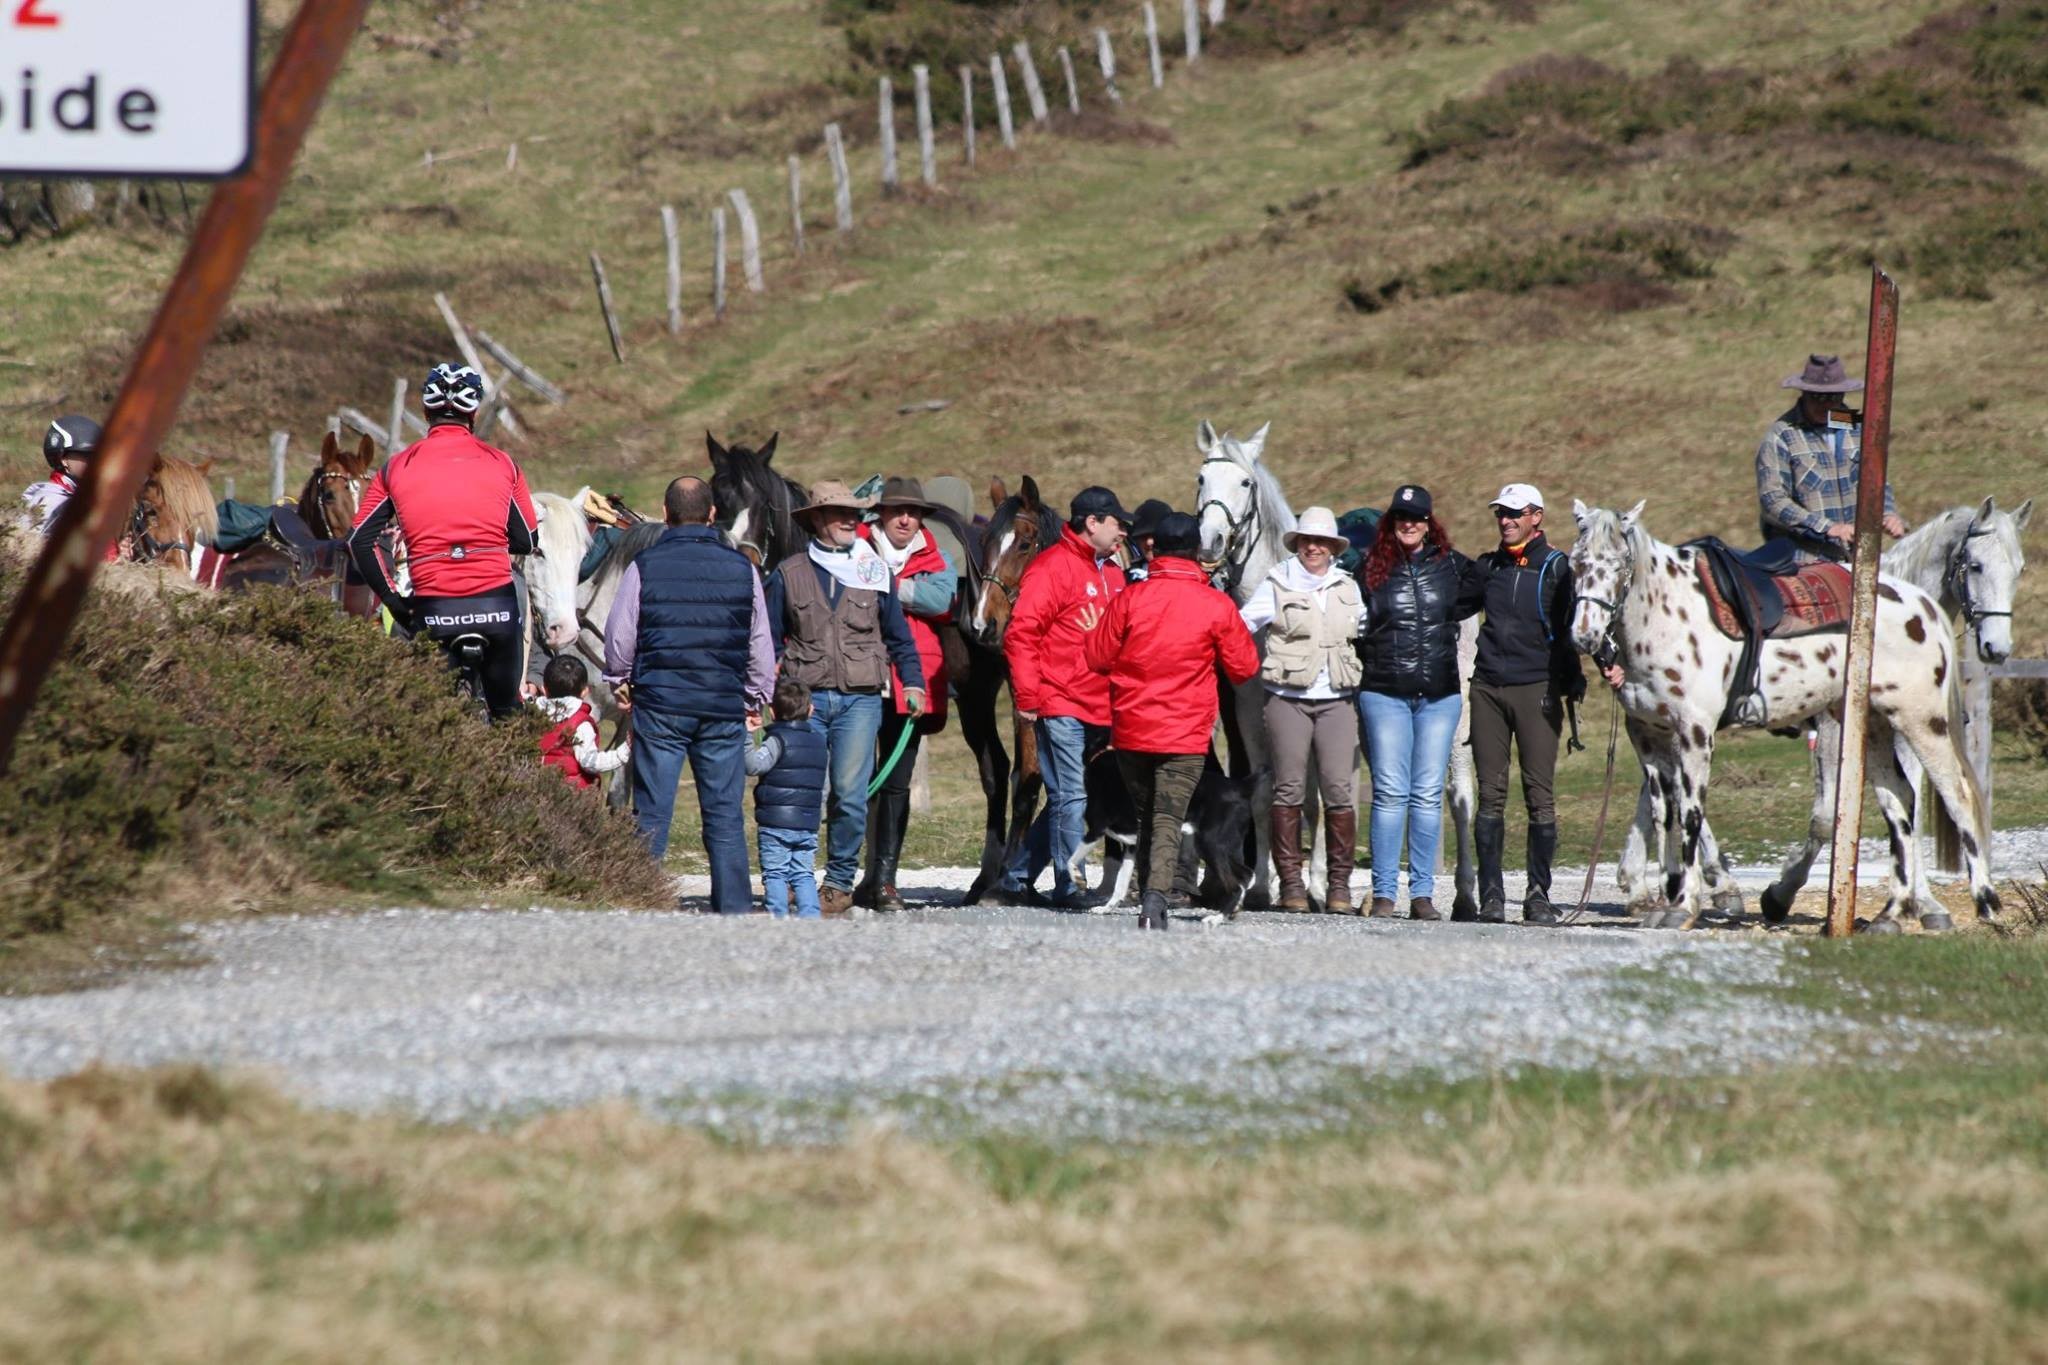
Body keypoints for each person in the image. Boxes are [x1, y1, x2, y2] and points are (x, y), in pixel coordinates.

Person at [603, 475, 775, 912]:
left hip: (661, 705)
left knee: (653, 812)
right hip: (721, 707)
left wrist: (619, 679)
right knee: (723, 814)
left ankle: (643, 901)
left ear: (665, 514)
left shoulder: (645, 565)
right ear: (713, 514)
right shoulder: (743, 569)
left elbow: (620, 635)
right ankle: (734, 906)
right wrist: (755, 696)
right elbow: (760, 642)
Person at [1083, 512, 1259, 929]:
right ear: (1197, 552)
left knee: (1150, 815)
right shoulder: (1215, 604)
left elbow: (1097, 658)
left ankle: (1151, 895)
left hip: (1132, 729)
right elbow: (1245, 667)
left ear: (1153, 549)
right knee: (1167, 815)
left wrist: (1098, 633)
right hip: (1186, 732)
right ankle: (1154, 902)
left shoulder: (1129, 598)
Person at [764, 480, 926, 919]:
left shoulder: (876, 571)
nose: (850, 520)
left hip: (861, 702)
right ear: (816, 520)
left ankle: (837, 884)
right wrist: (764, 687)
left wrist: (913, 683)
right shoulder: (788, 573)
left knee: (851, 798)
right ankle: (792, 879)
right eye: (839, 513)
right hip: (804, 703)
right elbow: (768, 641)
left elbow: (899, 637)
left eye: (855, 514)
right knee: (797, 794)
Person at [347, 363, 541, 721]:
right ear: (475, 412)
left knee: (430, 720)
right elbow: (527, 539)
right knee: (507, 716)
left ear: (425, 411)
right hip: (495, 608)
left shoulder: (397, 466)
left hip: (434, 611)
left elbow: (359, 540)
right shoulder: (503, 464)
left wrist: (392, 600)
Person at [996, 486, 1131, 908]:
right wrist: (1029, 696)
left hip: (1103, 704)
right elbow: (1021, 634)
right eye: (1117, 523)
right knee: (1071, 796)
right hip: (1061, 702)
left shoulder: (1113, 572)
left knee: (1074, 798)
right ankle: (1068, 886)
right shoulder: (1051, 568)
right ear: (1093, 522)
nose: (1124, 532)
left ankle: (1016, 876)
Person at [1354, 483, 1480, 921]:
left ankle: (1423, 894)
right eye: (1401, 518)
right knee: (1390, 793)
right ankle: (1385, 892)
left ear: (1429, 523)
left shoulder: (1452, 567)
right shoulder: (1369, 568)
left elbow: (1486, 592)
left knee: (1427, 794)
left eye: (1417, 518)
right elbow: (1356, 624)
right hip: (1384, 692)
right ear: (1391, 523)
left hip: (1439, 695)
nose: (1409, 524)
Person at [1463, 483, 1584, 927]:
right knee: (1490, 795)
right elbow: (1452, 603)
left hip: (1538, 688)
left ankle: (1538, 896)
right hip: (1488, 689)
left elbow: (1577, 624)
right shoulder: (1489, 566)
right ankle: (1491, 897)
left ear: (1537, 516)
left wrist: (1601, 666)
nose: (1506, 520)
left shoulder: (1556, 567)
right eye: (1501, 513)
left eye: (1515, 513)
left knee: (1539, 795)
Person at [1237, 505, 1367, 913]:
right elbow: (1241, 627)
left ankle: (1338, 886)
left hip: (1337, 701)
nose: (1314, 548)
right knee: (1288, 790)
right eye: (1308, 541)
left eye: (1322, 542)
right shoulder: (1276, 583)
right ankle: (1291, 884)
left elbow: (1363, 631)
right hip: (1287, 700)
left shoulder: (1347, 586)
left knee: (1339, 792)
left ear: (1333, 547)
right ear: (1298, 544)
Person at [853, 477, 959, 912]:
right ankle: (845, 874)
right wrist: (907, 590)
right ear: (881, 513)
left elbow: (942, 600)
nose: (906, 519)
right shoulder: (856, 545)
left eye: (913, 513)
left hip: (910, 684)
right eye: (898, 510)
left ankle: (885, 879)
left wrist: (885, 586)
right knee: (852, 778)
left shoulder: (938, 555)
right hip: (858, 676)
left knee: (896, 783)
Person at [1756, 353, 1906, 564]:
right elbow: (1773, 501)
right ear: (1804, 394)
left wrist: (1888, 513)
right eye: (1817, 398)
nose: (1825, 405)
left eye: (1833, 398)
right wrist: (1827, 528)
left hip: (1859, 557)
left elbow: (1877, 482)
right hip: (1804, 561)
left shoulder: (1858, 425)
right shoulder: (1782, 435)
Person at [747, 675, 828, 919]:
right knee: (804, 873)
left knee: (775, 873)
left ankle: (778, 918)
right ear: (811, 710)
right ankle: (810, 917)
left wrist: (746, 736)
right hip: (807, 822)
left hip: (775, 823)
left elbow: (753, 766)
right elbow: (824, 784)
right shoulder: (820, 742)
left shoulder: (776, 740)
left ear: (772, 711)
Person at [534, 654, 632, 791]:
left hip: (535, 790)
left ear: (544, 689)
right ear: (585, 691)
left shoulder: (532, 714)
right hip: (572, 798)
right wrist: (622, 752)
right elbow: (590, 762)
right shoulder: (581, 725)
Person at [21, 415, 102, 538]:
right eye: (87, 455)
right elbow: (32, 551)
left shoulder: (85, 498)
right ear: (63, 459)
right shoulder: (52, 502)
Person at [1124, 498, 1173, 581]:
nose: (1149, 542)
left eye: (1155, 535)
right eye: (1143, 537)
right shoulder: (1127, 579)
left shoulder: (1194, 574)